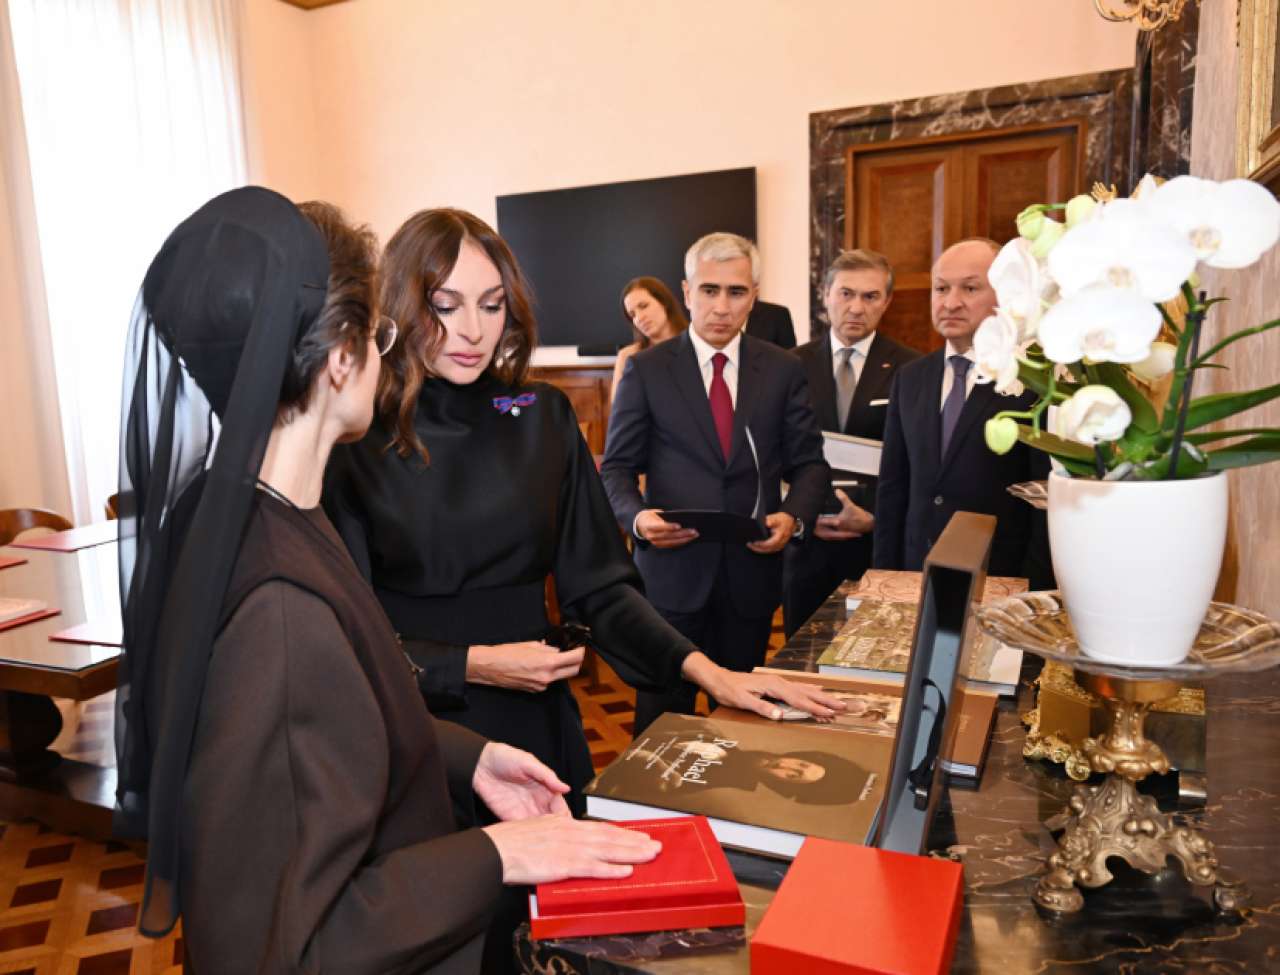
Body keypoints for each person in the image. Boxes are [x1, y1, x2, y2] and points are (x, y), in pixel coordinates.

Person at [115, 188, 661, 974]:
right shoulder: (277, 607)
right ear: (342, 358)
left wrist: (469, 756)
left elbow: (339, 724)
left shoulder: (248, 515)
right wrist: (498, 853)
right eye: (379, 333)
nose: (388, 353)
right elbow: (292, 943)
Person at [322, 209, 843, 814]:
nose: (472, 330)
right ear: (402, 303)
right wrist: (470, 666)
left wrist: (709, 672)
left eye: (491, 305)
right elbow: (340, 639)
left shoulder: (540, 415)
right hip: (417, 728)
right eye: (445, 305)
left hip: (536, 717)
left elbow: (601, 589)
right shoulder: (355, 436)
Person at [601, 232, 831, 735]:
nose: (722, 306)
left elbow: (811, 466)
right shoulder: (646, 369)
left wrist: (794, 518)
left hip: (750, 580)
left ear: (754, 296)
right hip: (670, 579)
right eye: (709, 290)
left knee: (741, 727)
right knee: (662, 728)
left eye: (736, 292)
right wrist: (638, 520)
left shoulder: (783, 369)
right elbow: (615, 468)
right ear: (686, 293)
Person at [872, 238, 1049, 580]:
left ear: (1005, 295)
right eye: (941, 289)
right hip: (916, 573)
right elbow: (893, 489)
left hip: (999, 576)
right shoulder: (911, 377)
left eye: (970, 288)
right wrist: (885, 577)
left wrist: (1035, 587)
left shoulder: (1033, 379)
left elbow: (1043, 499)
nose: (951, 303)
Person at [784, 249, 920, 636]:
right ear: (826, 294)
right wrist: (799, 515)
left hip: (876, 548)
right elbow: (772, 452)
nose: (857, 307)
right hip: (805, 546)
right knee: (800, 656)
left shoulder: (912, 369)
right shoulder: (789, 365)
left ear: (887, 302)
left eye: (870, 296)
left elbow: (916, 463)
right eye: (846, 293)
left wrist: (875, 519)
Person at [611, 276, 687, 396]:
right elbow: (619, 406)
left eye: (643, 306)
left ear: (664, 302)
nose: (639, 318)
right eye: (633, 314)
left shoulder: (697, 344)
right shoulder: (627, 356)